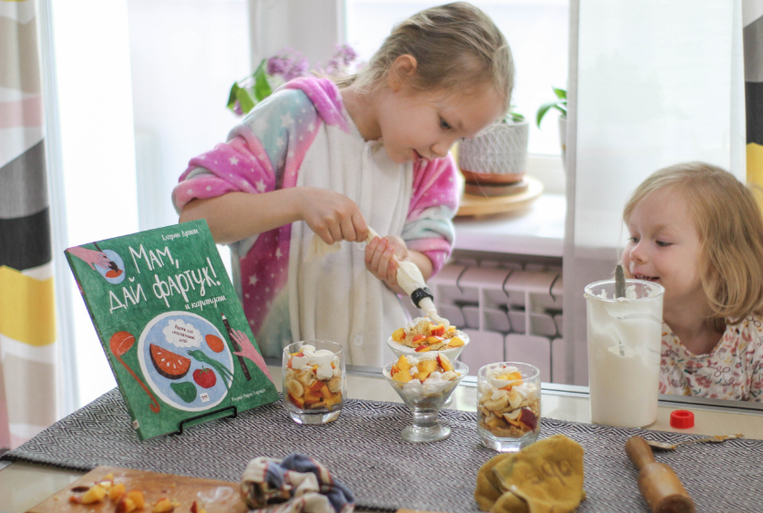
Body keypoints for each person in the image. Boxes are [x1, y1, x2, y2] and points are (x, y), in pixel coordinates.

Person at [173, 2, 513, 366]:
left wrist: (400, 263)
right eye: (445, 124)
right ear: (401, 74)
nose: (443, 149)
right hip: (281, 375)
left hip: (380, 374)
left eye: (459, 138)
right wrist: (300, 201)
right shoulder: (291, 119)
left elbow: (426, 255)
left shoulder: (430, 165)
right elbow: (196, 222)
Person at [621, 162, 763, 402]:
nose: (636, 253)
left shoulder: (758, 341)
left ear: (719, 259)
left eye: (661, 242)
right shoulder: (623, 325)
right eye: (634, 237)